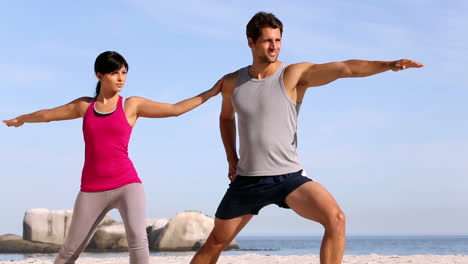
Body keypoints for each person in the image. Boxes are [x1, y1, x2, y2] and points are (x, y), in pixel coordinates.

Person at [190, 12, 423, 264]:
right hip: (247, 181)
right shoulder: (233, 82)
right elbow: (226, 118)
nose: (274, 46)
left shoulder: (293, 75)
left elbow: (345, 68)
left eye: (278, 40)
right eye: (268, 40)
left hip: (287, 178)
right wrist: (231, 157)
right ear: (251, 42)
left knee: (336, 219)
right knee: (215, 242)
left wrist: (387, 65)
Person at [3, 51, 221, 264]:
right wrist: (22, 119)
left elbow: (175, 109)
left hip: (127, 184)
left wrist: (211, 92)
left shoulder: (131, 105)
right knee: (68, 252)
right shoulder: (85, 106)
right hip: (91, 189)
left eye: (124, 73)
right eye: (115, 73)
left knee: (138, 242)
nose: (121, 78)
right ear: (100, 75)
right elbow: (48, 115)